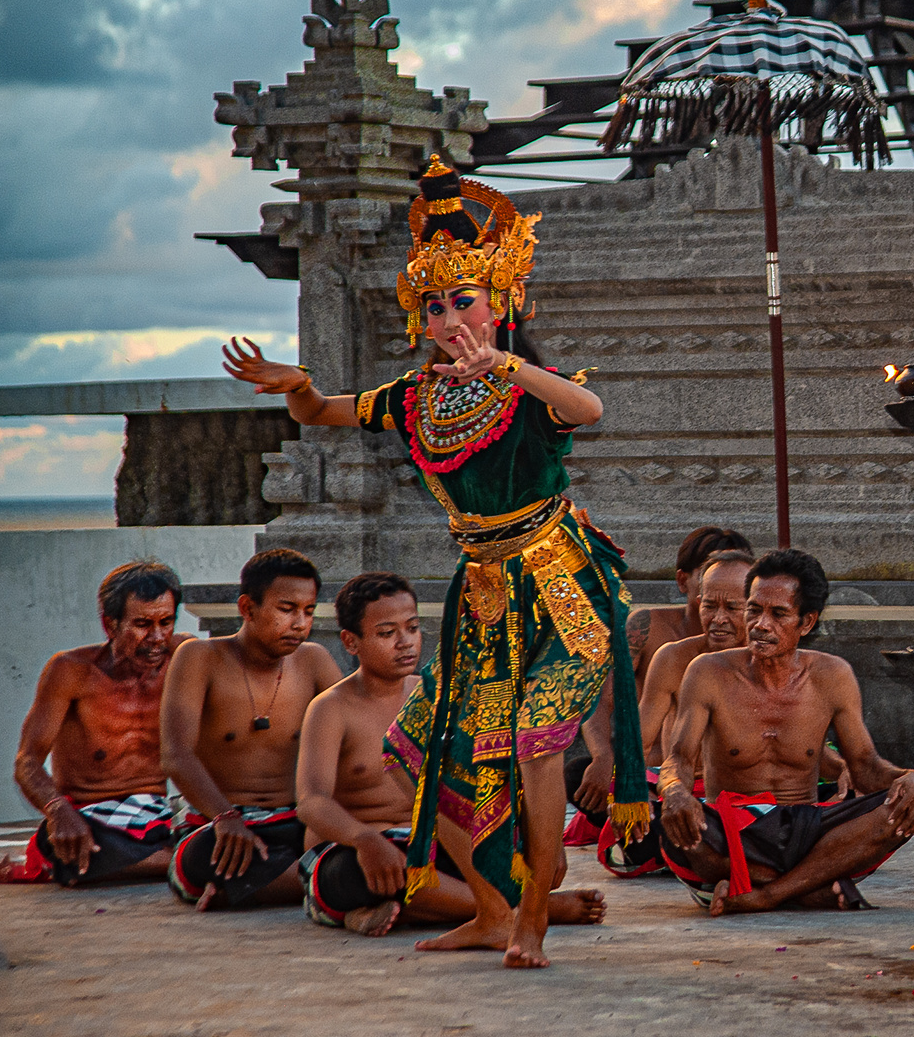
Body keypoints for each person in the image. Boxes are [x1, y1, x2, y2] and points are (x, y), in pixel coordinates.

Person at [223, 155, 646, 969]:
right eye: (438, 304)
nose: (453, 317)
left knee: (533, 743)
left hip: (562, 583)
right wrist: (296, 383)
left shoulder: (528, 383)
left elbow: (588, 410)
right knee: (430, 742)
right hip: (485, 590)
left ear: (502, 302)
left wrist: (509, 367)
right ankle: (491, 908)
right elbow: (325, 412)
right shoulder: (414, 397)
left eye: (467, 300)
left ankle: (534, 911)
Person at [295, 573, 605, 936]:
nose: (404, 642)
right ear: (350, 641)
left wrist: (541, 839)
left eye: (412, 628)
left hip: (444, 849)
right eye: (386, 633)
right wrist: (365, 839)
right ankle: (525, 911)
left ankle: (420, 910)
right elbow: (312, 802)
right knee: (353, 874)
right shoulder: (331, 708)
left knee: (520, 854)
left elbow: (491, 775)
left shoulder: (436, 695)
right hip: (367, 850)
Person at [658, 549, 914, 915]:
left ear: (807, 622)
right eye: (753, 609)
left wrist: (910, 779)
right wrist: (675, 791)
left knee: (896, 811)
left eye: (778, 614)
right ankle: (809, 886)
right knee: (673, 825)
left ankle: (765, 892)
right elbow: (679, 758)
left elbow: (864, 766)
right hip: (734, 829)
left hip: (805, 826)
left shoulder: (833, 675)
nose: (760, 625)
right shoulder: (707, 671)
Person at [160, 549, 342, 910]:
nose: (300, 624)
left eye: (309, 612)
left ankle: (282, 886)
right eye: (287, 609)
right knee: (202, 859)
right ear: (247, 608)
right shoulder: (200, 658)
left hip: (295, 824)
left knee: (360, 844)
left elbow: (352, 739)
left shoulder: (314, 660)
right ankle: (328, 886)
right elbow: (175, 754)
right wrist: (226, 818)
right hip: (220, 825)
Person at [0, 563, 189, 886]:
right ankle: (184, 860)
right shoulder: (71, 671)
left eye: (166, 622)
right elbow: (27, 762)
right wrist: (57, 810)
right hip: (91, 819)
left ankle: (179, 856)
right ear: (110, 625)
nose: (157, 637)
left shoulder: (184, 658)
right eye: (142, 624)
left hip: (159, 815)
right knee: (77, 848)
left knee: (233, 828)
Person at [565, 530, 752, 847]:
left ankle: (681, 839)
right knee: (578, 774)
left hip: (728, 786)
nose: (720, 616)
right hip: (656, 779)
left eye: (733, 602)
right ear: (686, 584)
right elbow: (599, 700)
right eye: (712, 574)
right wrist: (603, 757)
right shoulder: (654, 635)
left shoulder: (762, 647)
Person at [627, 526, 753, 693]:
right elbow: (603, 701)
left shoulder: (758, 645)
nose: (723, 581)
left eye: (734, 574)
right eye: (711, 571)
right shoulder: (647, 627)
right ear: (682, 580)